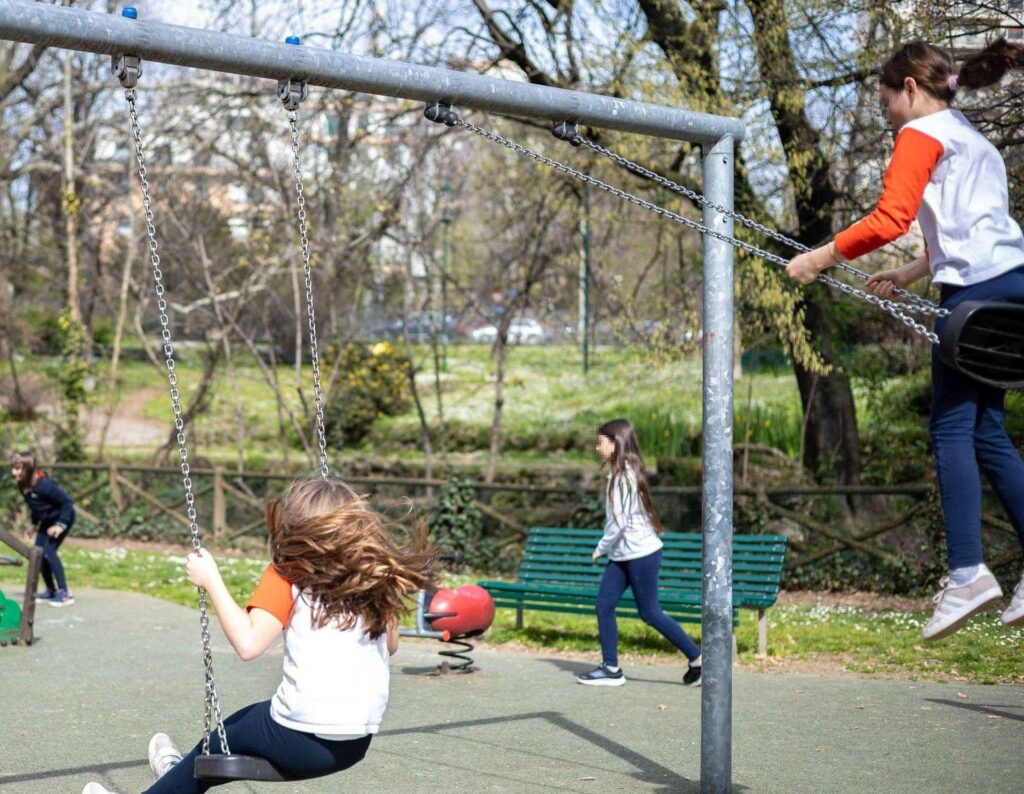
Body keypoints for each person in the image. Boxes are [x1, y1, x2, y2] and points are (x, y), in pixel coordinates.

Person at [784, 39, 1024, 640]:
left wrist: (821, 258)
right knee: (986, 432)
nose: (885, 112)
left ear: (910, 89)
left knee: (949, 428)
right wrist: (915, 271)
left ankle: (968, 571)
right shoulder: (970, 135)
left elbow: (891, 218)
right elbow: (974, 225)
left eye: (886, 99)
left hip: (972, 298)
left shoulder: (919, 136)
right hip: (1012, 287)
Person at [82, 476, 434, 794]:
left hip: (298, 739)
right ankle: (175, 779)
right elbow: (391, 645)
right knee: (226, 741)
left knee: (221, 740)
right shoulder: (374, 579)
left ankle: (168, 786)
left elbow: (249, 645)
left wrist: (211, 580)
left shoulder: (288, 575)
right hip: (355, 744)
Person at [576, 418, 702, 687]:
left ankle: (698, 658)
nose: (598, 448)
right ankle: (611, 668)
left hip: (641, 554)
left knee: (650, 612)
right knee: (604, 604)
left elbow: (618, 523)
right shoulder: (621, 474)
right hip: (623, 555)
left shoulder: (624, 478)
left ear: (616, 444)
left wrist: (600, 548)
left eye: (601, 443)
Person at [10, 451, 75, 606]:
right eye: (13, 468)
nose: (14, 472)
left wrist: (60, 525)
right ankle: (51, 590)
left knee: (49, 551)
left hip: (62, 519)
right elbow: (36, 507)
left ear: (29, 470)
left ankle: (64, 593)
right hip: (46, 521)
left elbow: (67, 503)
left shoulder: (45, 485)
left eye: (18, 469)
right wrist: (33, 524)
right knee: (38, 553)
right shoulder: (23, 486)